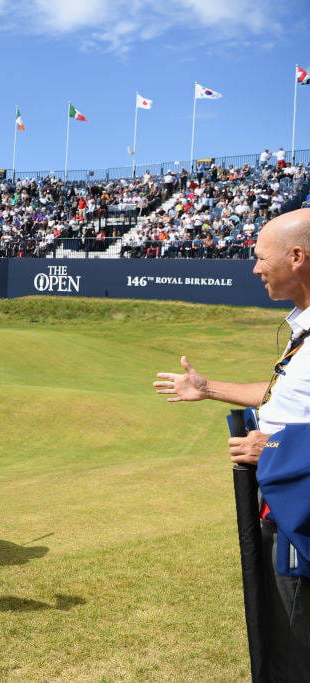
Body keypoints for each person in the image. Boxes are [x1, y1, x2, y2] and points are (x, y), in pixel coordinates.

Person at [152, 208, 310, 680]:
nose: (255, 268)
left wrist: (277, 450)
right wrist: (209, 389)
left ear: (298, 256)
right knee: (279, 637)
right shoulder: (303, 324)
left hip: (302, 520)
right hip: (284, 509)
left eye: (262, 258)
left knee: (295, 649)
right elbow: (289, 399)